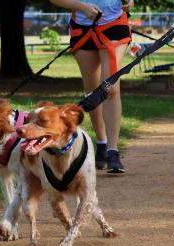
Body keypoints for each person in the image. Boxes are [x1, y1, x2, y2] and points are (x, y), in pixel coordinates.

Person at [48, 0, 133, 173]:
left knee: (110, 88)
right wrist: (82, 6)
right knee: (92, 91)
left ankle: (112, 151)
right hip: (82, 27)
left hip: (114, 24)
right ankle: (101, 143)